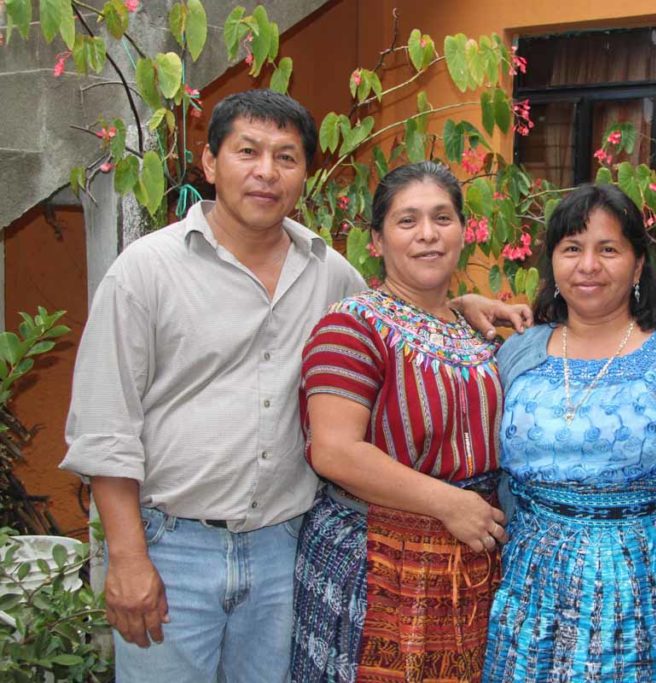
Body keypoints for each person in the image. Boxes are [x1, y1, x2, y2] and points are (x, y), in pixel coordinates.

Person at [60, 91, 528, 683]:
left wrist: (462, 305)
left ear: (304, 173)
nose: (265, 171)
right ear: (210, 164)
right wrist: (126, 557)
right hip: (174, 547)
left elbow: (400, 311)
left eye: (285, 157)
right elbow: (106, 426)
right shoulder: (146, 271)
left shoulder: (327, 271)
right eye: (247, 152)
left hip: (284, 550)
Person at [483, 183, 656, 682]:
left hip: (640, 592)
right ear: (552, 263)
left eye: (608, 249)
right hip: (530, 586)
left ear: (638, 266)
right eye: (572, 248)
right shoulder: (518, 354)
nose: (588, 266)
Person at [291, 161, 509, 683]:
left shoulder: (474, 329)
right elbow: (335, 451)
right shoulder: (352, 324)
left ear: (463, 231)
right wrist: (448, 503)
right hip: (378, 563)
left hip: (470, 562)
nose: (428, 235)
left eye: (443, 217)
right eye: (407, 221)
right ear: (377, 240)